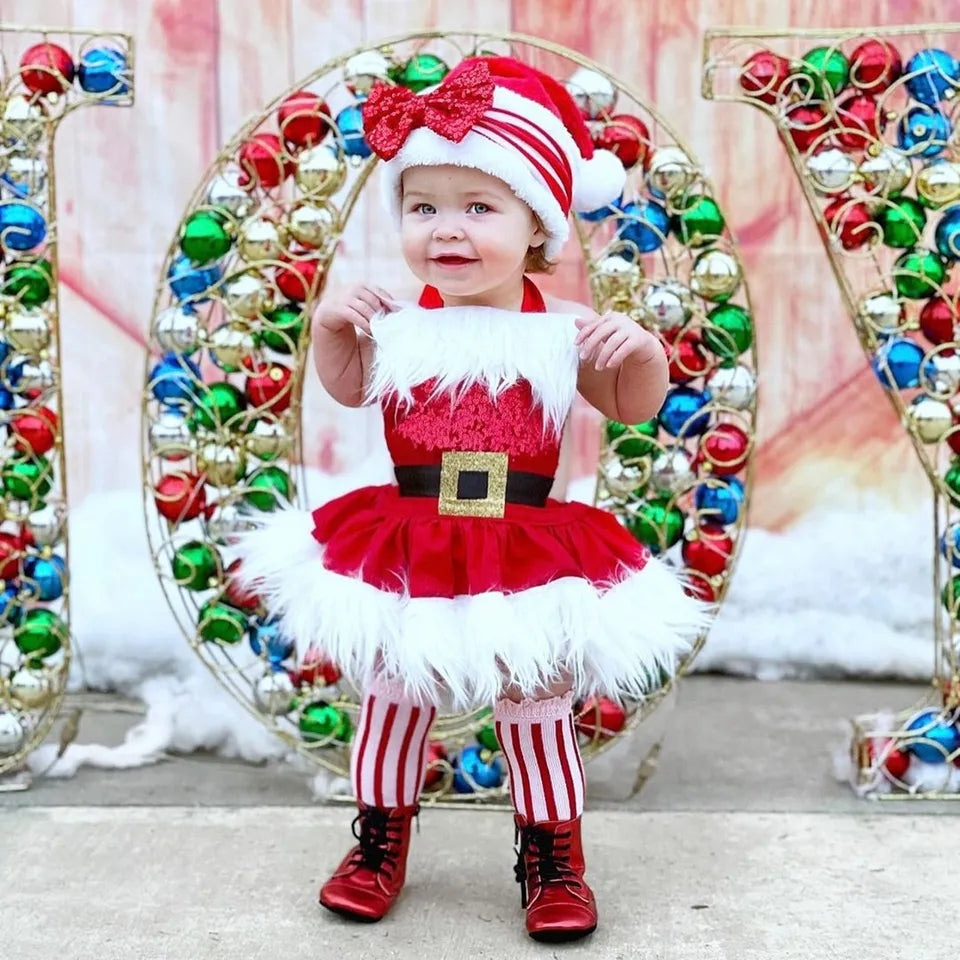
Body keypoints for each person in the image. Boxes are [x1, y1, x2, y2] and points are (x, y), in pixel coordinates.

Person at [237, 54, 708, 943]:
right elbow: (348, 385)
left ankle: (552, 852)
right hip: (411, 533)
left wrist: (639, 351)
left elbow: (630, 404)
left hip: (524, 540)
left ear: (539, 227)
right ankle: (380, 838)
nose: (445, 230)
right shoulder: (401, 324)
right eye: (424, 207)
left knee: (534, 702)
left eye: (478, 207)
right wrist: (337, 329)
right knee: (392, 695)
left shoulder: (560, 329)